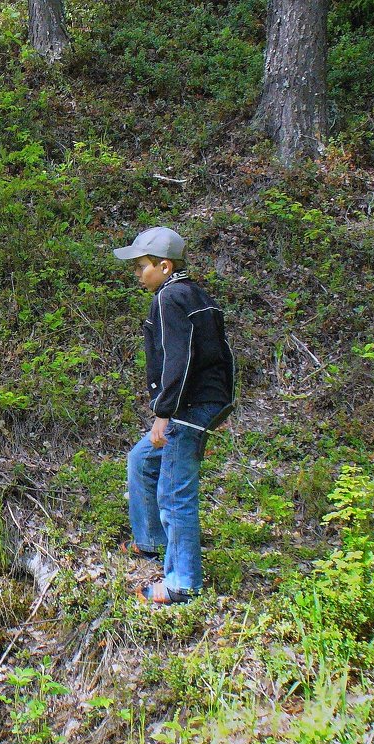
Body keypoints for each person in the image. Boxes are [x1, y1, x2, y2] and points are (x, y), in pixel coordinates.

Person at [113, 226, 235, 604]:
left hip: (189, 406)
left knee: (174, 493)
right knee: (142, 460)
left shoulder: (169, 298)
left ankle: (182, 583)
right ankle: (151, 541)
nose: (137, 273)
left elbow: (177, 361)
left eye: (141, 265)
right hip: (205, 401)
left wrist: (164, 413)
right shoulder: (196, 294)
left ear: (164, 266)